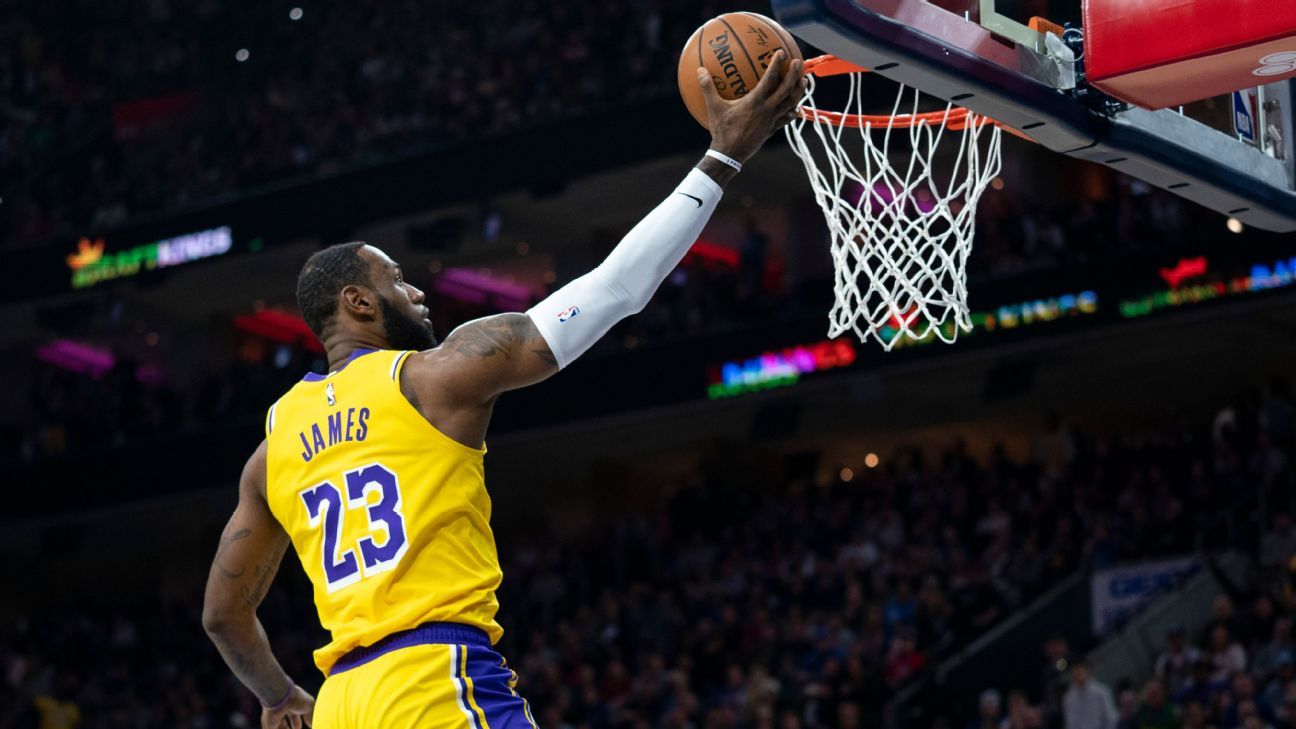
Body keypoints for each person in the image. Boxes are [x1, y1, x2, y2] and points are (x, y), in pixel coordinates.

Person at [199, 51, 808, 729]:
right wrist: (723, 158)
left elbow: (223, 614)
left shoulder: (274, 446)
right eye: (397, 279)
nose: (418, 291)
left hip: (344, 702)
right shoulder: (432, 377)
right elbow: (613, 290)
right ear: (357, 302)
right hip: (434, 679)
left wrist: (280, 696)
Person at [1063, 662, 1118, 729]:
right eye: (1075, 674)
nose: (1078, 676)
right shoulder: (1069, 699)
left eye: (1080, 672)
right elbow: (1071, 723)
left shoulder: (1101, 692)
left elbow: (1111, 717)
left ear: (1087, 672)